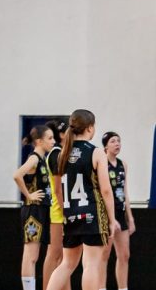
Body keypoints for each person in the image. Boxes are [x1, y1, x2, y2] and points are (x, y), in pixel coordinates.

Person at [47, 109, 120, 290]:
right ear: (89, 128)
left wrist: (66, 213)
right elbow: (106, 190)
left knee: (67, 264)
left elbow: (57, 190)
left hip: (70, 213)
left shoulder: (60, 154)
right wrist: (112, 220)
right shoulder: (95, 152)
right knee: (91, 265)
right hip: (91, 214)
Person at [14, 125, 56, 290]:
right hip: (33, 210)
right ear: (39, 141)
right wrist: (28, 195)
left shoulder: (43, 159)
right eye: (50, 138)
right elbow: (17, 175)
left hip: (43, 209)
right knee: (30, 255)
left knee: (35, 256)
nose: (53, 141)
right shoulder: (34, 159)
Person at [99, 132, 135, 290]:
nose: (117, 144)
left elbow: (125, 192)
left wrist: (131, 218)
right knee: (104, 254)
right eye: (113, 141)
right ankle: (101, 287)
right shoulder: (101, 163)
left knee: (124, 254)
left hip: (121, 213)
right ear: (106, 146)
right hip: (107, 214)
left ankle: (123, 288)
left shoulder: (123, 164)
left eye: (119, 141)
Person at [43, 118, 70, 290]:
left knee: (64, 259)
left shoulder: (64, 152)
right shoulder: (55, 153)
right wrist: (65, 211)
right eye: (68, 131)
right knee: (54, 254)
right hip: (58, 211)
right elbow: (58, 189)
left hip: (64, 209)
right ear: (61, 134)